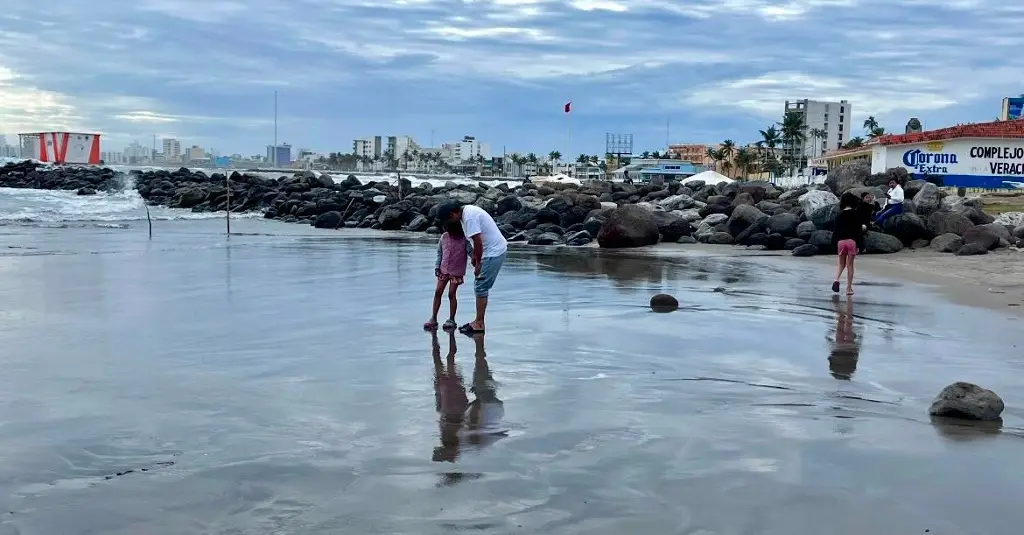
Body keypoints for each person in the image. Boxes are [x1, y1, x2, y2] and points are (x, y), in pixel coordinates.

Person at [436, 201, 508, 335]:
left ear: (452, 214)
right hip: (491, 250)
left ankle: (479, 323)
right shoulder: (467, 212)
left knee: (481, 286)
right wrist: (474, 256)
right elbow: (476, 241)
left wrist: (478, 263)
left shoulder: (469, 218)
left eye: (448, 220)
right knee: (480, 285)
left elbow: (478, 241)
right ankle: (478, 321)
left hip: (493, 252)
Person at [424, 220, 473, 331]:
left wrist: (478, 260)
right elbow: (440, 253)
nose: (447, 231)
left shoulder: (464, 239)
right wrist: (437, 266)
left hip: (456, 271)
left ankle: (451, 319)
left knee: (451, 294)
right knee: (438, 292)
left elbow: (471, 252)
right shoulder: (444, 237)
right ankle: (433, 318)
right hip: (443, 270)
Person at [832, 192, 865, 296]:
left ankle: (836, 280)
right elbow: (858, 231)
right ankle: (849, 288)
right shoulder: (856, 214)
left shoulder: (839, 215)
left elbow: (836, 231)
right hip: (852, 242)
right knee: (850, 265)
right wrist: (859, 245)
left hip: (841, 242)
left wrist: (834, 243)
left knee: (841, 264)